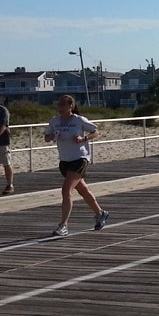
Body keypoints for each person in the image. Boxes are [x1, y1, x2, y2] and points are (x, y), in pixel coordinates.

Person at [43, 94, 110, 237]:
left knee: (66, 190)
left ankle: (63, 225)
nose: (60, 107)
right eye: (59, 104)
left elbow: (95, 131)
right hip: (65, 160)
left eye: (63, 104)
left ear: (70, 106)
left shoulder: (79, 120)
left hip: (80, 158)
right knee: (83, 190)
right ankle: (100, 213)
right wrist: (52, 136)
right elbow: (47, 137)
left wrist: (83, 138)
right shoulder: (55, 121)